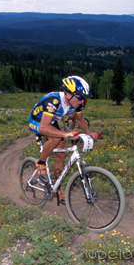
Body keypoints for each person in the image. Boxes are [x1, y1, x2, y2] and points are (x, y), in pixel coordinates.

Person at [28, 76, 98, 205]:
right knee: (56, 137)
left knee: (60, 156)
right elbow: (44, 126)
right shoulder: (54, 100)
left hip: (51, 121)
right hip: (37, 121)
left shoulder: (77, 103)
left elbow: (79, 119)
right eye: (80, 97)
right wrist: (65, 134)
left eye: (84, 97)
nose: (82, 100)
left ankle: (56, 188)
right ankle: (40, 163)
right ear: (69, 94)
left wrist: (89, 133)